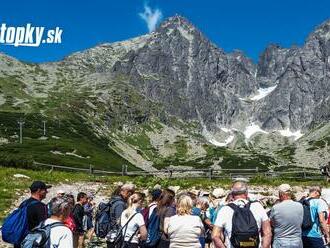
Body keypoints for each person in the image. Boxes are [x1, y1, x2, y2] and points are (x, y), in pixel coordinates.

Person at [212, 181, 272, 248]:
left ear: (232, 194)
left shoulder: (225, 210)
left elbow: (215, 236)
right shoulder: (258, 207)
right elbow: (267, 233)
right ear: (246, 193)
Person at [106, 183, 136, 248]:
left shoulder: (115, 200)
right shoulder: (120, 204)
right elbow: (120, 221)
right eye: (132, 193)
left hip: (112, 234)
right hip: (115, 236)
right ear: (129, 193)